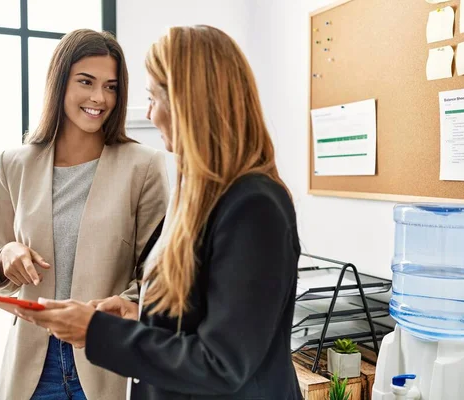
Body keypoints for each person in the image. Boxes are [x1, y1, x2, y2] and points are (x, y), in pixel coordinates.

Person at [17, 25, 303, 400]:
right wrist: (140, 314)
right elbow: (199, 316)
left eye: (153, 98)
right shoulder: (198, 197)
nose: (149, 114)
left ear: (190, 102)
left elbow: (222, 363)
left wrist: (96, 331)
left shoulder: (254, 206)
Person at [0, 28, 169, 400]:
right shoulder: (14, 163)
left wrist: (127, 304)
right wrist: (5, 257)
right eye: (87, 82)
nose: (99, 98)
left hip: (107, 366)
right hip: (31, 369)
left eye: (111, 86)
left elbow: (159, 277)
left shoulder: (144, 166)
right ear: (60, 82)